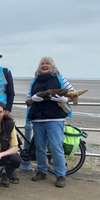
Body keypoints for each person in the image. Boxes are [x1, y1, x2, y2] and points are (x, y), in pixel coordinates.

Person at [25, 57, 74, 188]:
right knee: (40, 147)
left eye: (47, 63)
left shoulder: (60, 79)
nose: (45, 65)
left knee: (55, 147)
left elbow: (73, 94)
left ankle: (60, 175)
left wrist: (64, 98)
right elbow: (27, 100)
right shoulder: (34, 81)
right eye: (42, 63)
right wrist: (34, 99)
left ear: (52, 66)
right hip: (38, 118)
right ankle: (41, 171)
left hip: (55, 118)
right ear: (38, 66)